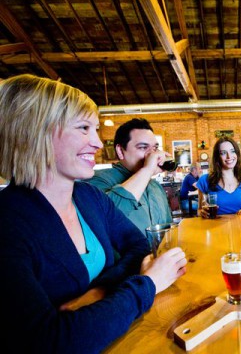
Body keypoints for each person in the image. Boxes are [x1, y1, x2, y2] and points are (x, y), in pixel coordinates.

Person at [0, 74, 187, 352]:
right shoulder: (8, 222)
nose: (99, 144)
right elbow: (53, 340)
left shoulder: (89, 197)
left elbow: (138, 246)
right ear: (36, 133)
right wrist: (146, 284)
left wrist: (100, 293)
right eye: (84, 128)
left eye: (96, 129)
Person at [87, 118, 172, 232]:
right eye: (143, 147)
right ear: (120, 151)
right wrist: (147, 170)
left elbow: (168, 228)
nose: (152, 154)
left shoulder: (156, 187)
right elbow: (104, 218)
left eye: (155, 148)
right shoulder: (97, 181)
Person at [196, 137, 241, 217]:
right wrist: (202, 212)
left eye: (233, 151)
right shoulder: (205, 180)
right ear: (217, 157)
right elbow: (199, 211)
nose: (229, 156)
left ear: (237, 154)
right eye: (223, 153)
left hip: (240, 228)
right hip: (215, 228)